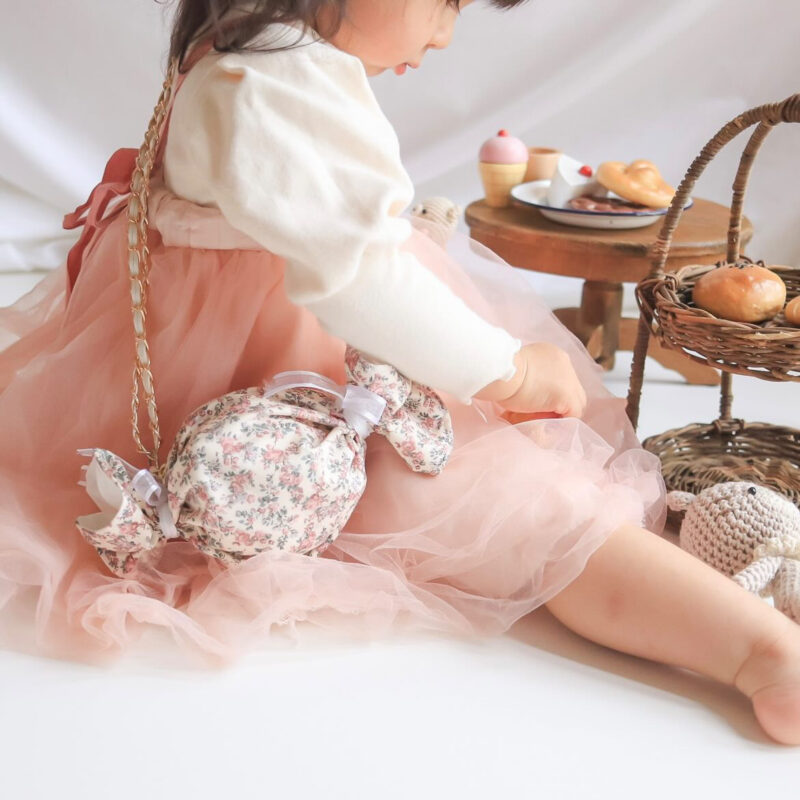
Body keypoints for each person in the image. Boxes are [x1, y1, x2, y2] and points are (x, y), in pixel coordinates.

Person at [1, 0, 798, 744]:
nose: (445, 35)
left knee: (521, 495)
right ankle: (759, 651)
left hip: (240, 349)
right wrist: (509, 371)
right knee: (521, 510)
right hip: (289, 387)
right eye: (446, 2)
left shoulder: (240, 55)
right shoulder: (277, 84)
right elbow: (358, 282)